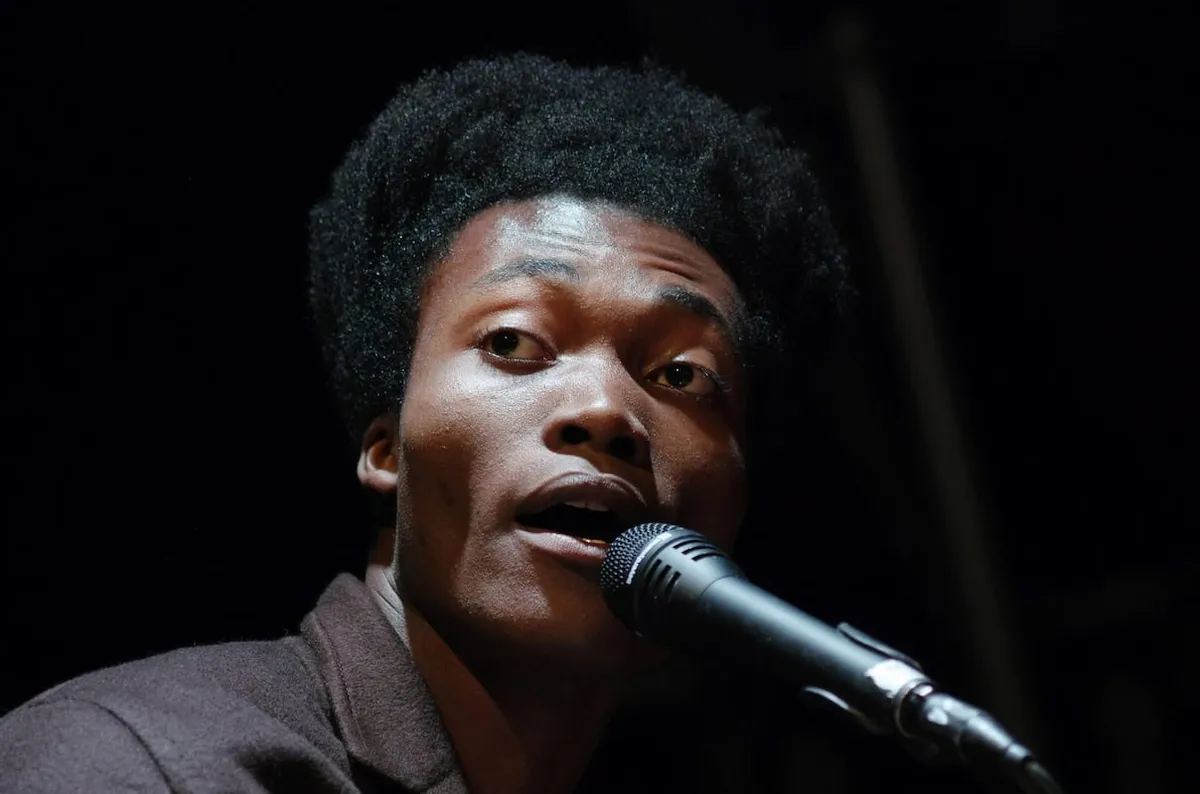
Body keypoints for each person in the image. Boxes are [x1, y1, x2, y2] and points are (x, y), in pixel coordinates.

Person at [0, 53, 848, 793]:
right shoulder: (146, 763)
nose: (604, 411)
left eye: (683, 375)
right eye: (514, 342)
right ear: (386, 448)